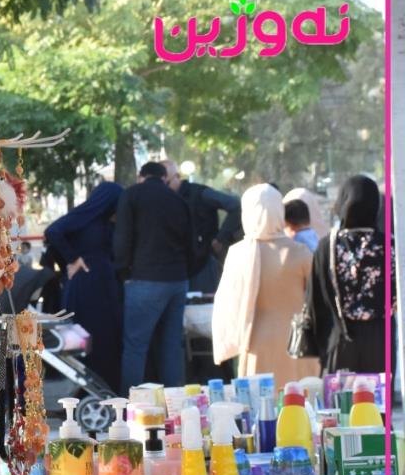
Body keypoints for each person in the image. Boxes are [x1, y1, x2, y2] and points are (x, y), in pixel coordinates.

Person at [212, 185, 319, 386]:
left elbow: (226, 305)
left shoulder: (238, 254)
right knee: (299, 400)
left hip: (254, 342)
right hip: (298, 343)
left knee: (261, 401)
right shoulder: (300, 251)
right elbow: (318, 297)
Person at [113, 161, 193, 392]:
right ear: (164, 178)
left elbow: (122, 239)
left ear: (141, 176)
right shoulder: (178, 200)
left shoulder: (132, 195)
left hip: (144, 279)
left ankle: (131, 403)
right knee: (171, 345)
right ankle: (173, 401)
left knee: (135, 347)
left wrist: (123, 272)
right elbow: (190, 244)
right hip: (177, 280)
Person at [42, 181, 124, 392]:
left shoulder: (101, 221)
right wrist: (72, 259)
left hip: (100, 282)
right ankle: (93, 389)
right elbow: (53, 231)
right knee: (95, 334)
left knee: (104, 335)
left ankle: (103, 388)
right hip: (90, 283)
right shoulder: (86, 218)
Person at [309, 174, 387, 374]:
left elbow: (316, 299)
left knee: (342, 394)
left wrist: (321, 345)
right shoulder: (389, 245)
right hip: (381, 340)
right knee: (379, 393)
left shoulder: (327, 246)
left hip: (339, 338)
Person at [162, 159, 241, 294]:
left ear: (177, 177)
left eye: (167, 183)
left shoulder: (199, 193)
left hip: (203, 263)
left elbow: (235, 205)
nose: (164, 187)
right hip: (176, 265)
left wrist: (220, 238)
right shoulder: (164, 198)